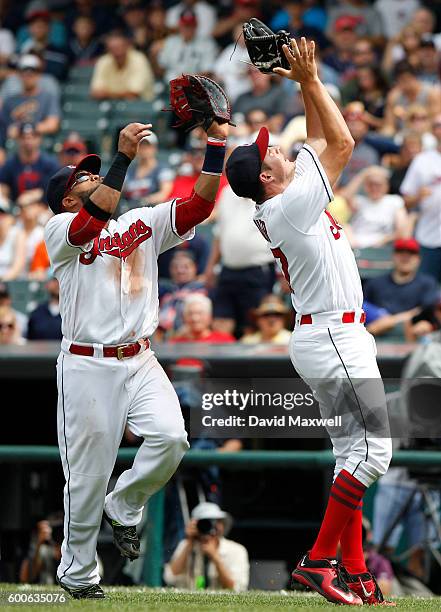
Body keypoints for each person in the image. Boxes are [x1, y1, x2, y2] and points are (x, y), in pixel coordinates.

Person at [226, 37, 392, 605]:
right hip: (334, 335)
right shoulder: (289, 204)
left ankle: (355, 571)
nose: (279, 150)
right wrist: (309, 80)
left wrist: (304, 83)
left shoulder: (282, 198)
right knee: (374, 455)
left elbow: (320, 138)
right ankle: (320, 562)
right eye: (270, 152)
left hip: (328, 334)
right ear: (267, 178)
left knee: (353, 456)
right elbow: (341, 141)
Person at [44, 108, 230, 598]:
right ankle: (78, 573)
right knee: (85, 478)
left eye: (95, 171)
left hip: (141, 358)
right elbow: (92, 223)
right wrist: (121, 161)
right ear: (66, 197)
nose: (92, 177)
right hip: (87, 363)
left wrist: (215, 144)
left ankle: (125, 506)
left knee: (171, 437)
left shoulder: (141, 221)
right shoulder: (61, 230)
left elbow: (199, 206)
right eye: (83, 176)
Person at [204, 183, 275, 337]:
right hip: (228, 269)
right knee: (221, 322)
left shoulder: (269, 191)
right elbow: (219, 234)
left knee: (253, 326)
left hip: (258, 271)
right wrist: (210, 267)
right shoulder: (227, 192)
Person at [163, 502, 249, 590]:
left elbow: (235, 588)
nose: (208, 526)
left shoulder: (237, 550)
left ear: (221, 525)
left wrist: (215, 557)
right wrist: (189, 542)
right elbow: (169, 578)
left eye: (214, 522)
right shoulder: (185, 545)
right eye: (203, 523)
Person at [400, 114, 441, 281]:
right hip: (428, 237)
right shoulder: (422, 160)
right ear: (433, 131)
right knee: (428, 288)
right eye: (438, 125)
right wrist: (418, 197)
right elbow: (406, 200)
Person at [340, 166, 410, 248]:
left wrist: (383, 240)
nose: (374, 188)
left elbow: (402, 231)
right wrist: (364, 174)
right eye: (370, 184)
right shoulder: (360, 201)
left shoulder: (394, 201)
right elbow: (346, 195)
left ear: (386, 186)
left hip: (381, 247)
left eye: (378, 185)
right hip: (355, 244)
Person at [364, 238, 439, 315]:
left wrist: (391, 321)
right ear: (393, 256)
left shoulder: (428, 284)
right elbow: (364, 309)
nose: (405, 257)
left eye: (411, 253)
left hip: (411, 325)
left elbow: (426, 311)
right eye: (400, 252)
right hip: (377, 323)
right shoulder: (375, 283)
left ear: (418, 259)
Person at [0, 54, 61, 146]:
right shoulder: (10, 100)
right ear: (19, 75)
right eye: (25, 72)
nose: (29, 75)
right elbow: (4, 128)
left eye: (33, 72)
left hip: (40, 145)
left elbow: (53, 124)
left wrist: (26, 129)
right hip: (14, 145)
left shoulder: (48, 97)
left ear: (39, 74)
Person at [0, 123, 59, 203]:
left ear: (39, 139)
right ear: (18, 139)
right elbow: (3, 188)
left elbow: (53, 191)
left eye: (32, 137)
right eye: (24, 137)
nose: (28, 141)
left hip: (41, 209)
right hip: (15, 208)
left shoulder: (50, 164)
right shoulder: (10, 164)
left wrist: (37, 195)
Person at [90, 30, 154, 101]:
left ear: (127, 46)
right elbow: (96, 92)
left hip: (141, 107)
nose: (117, 52)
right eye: (112, 48)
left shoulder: (139, 59)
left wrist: (107, 93)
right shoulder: (103, 61)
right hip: (113, 106)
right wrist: (119, 94)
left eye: (119, 47)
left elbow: (133, 94)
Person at [157, 10, 218, 84]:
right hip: (169, 84)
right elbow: (161, 67)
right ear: (179, 26)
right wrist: (153, 55)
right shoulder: (171, 42)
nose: (188, 29)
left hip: (196, 86)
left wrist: (187, 79)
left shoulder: (207, 44)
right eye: (185, 26)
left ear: (196, 26)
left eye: (191, 26)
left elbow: (208, 71)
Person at [158, 251, 206, 337]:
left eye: (186, 267)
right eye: (175, 267)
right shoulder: (162, 290)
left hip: (192, 338)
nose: (180, 271)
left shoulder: (203, 290)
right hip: (163, 339)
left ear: (195, 267)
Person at [122, 133, 174, 206]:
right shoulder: (129, 171)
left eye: (147, 145)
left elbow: (164, 194)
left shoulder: (163, 170)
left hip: (151, 212)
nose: (144, 148)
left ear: (155, 148)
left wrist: (145, 201)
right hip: (128, 212)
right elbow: (119, 191)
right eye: (141, 145)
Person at [27, 276, 62, 340]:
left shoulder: (73, 313)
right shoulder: (37, 313)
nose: (58, 283)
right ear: (47, 285)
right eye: (54, 280)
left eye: (61, 279)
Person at [0, 200, 26, 281]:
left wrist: (2, 280)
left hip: (12, 285)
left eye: (2, 214)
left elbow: (18, 266)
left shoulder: (17, 234)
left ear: (10, 217)